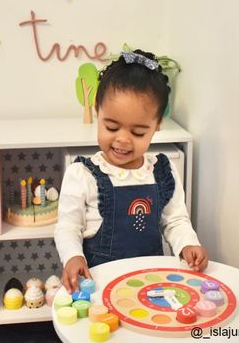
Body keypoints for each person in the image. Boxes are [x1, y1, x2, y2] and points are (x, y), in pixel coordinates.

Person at [54, 50, 208, 294]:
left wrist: (188, 244)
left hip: (149, 282)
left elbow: (175, 220)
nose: (123, 140)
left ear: (157, 126)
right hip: (98, 283)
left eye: (138, 133)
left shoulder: (162, 172)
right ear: (97, 111)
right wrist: (73, 257)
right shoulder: (81, 174)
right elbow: (68, 227)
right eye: (111, 127)